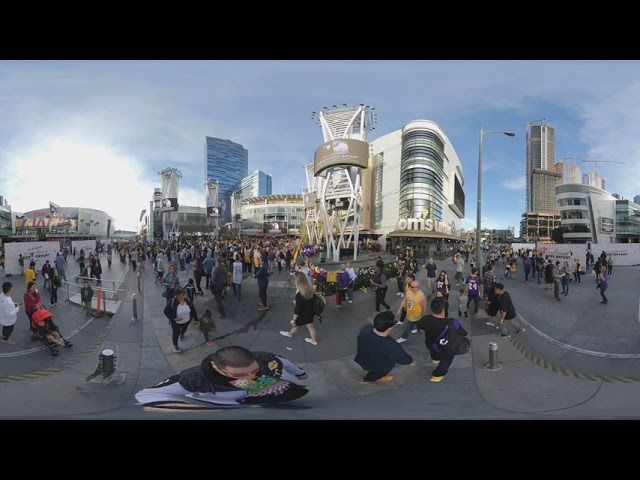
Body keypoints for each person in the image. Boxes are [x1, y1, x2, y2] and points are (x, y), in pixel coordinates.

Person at [134, 346, 309, 409]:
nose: (251, 378)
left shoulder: (268, 360)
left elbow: (285, 363)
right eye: (240, 375)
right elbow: (146, 395)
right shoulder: (193, 379)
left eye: (254, 371)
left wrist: (300, 374)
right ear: (216, 368)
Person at [354, 310, 416, 384]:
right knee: (378, 373)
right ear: (389, 328)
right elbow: (403, 358)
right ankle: (367, 380)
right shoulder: (392, 346)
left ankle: (366, 380)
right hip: (380, 366)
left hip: (363, 359)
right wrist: (411, 361)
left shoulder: (366, 329)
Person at [415, 297, 467, 382]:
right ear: (444, 309)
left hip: (431, 344)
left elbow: (420, 329)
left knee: (433, 349)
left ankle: (435, 359)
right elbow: (462, 333)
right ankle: (437, 375)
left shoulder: (425, 319)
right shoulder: (452, 322)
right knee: (447, 359)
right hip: (444, 347)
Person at [279, 271, 318, 345]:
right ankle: (314, 341)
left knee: (295, 324)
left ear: (297, 281)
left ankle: (290, 334)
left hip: (302, 314)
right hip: (310, 312)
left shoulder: (299, 294)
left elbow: (297, 310)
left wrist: (293, 319)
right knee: (310, 327)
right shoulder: (310, 289)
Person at [164, 287, 198, 353]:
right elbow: (165, 311)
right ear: (177, 295)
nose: (185, 295)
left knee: (184, 329)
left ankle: (182, 333)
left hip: (186, 320)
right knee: (176, 333)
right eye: (183, 294)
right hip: (176, 322)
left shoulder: (187, 300)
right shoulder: (172, 302)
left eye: (185, 294)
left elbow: (193, 310)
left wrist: (195, 319)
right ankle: (175, 345)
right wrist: (173, 318)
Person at [395, 279, 427, 344]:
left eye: (412, 287)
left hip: (415, 314)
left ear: (417, 288)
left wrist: (425, 317)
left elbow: (424, 308)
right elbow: (404, 300)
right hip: (409, 312)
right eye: (410, 286)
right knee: (416, 322)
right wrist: (399, 309)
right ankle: (419, 327)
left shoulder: (421, 296)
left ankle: (403, 338)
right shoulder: (408, 291)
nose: (410, 287)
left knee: (409, 325)